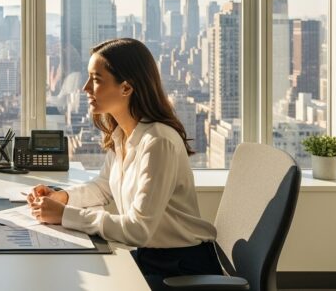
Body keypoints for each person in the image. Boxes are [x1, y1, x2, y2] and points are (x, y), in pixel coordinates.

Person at [27, 38, 222, 290]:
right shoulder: (123, 134)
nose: (86, 88)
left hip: (180, 270)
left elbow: (138, 229)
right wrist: (61, 198)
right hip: (149, 257)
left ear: (126, 88)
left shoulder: (157, 142)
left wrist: (65, 215)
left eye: (96, 80)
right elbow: (103, 186)